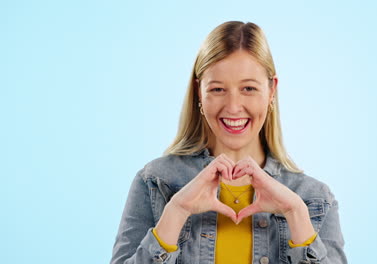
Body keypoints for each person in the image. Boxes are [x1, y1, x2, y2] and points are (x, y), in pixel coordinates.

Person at [110, 21, 347, 264]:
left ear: (271, 91)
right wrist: (177, 211)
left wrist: (296, 215)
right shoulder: (155, 183)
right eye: (217, 89)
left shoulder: (314, 199)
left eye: (248, 88)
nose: (233, 107)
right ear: (199, 91)